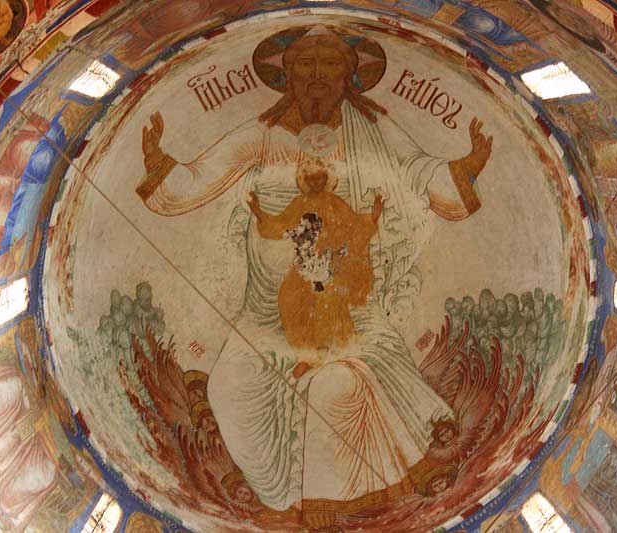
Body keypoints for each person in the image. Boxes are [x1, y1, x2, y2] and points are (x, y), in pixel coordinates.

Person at [136, 25, 492, 529]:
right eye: (305, 65)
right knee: (231, 388)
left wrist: (466, 168)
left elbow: (418, 169)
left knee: (343, 386)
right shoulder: (261, 134)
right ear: (287, 76)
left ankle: (341, 499)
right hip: (267, 312)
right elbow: (201, 176)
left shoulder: (374, 130)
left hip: (343, 304)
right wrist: (159, 162)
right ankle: (276, 497)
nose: (317, 75)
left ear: (349, 77)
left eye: (329, 65)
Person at [248, 159, 383, 356]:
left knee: (326, 297)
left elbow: (354, 225)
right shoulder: (299, 203)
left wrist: (374, 216)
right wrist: (258, 212)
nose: (315, 182)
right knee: (289, 295)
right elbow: (280, 225)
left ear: (326, 179)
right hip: (306, 263)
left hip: (333, 263)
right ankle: (307, 349)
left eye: (319, 178)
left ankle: (326, 345)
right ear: (305, 180)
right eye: (311, 178)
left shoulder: (335, 202)